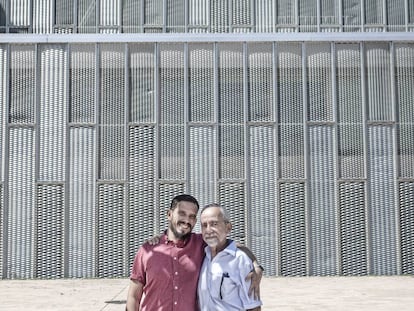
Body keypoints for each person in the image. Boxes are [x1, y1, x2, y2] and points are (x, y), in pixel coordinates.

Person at [126, 194, 263, 311]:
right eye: (182, 213)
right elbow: (133, 296)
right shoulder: (148, 250)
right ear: (169, 214)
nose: (186, 220)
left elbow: (233, 245)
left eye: (192, 216)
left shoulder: (201, 243)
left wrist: (256, 265)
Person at [198, 203, 262, 311]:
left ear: (228, 227)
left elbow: (253, 307)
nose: (208, 230)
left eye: (214, 224)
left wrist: (256, 265)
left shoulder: (240, 260)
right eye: (204, 225)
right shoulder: (201, 254)